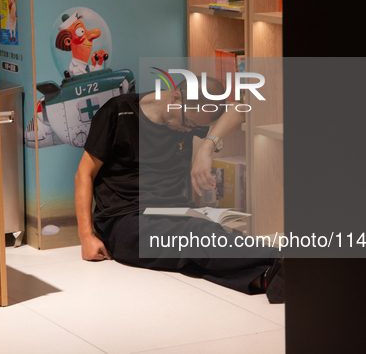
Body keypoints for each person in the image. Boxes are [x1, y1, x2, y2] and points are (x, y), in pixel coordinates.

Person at [74, 76, 284, 303]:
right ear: (176, 98)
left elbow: (240, 109)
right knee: (198, 237)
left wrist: (207, 146)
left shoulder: (189, 115)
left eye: (194, 127)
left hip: (177, 211)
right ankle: (284, 257)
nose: (188, 130)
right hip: (124, 220)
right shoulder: (119, 112)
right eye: (189, 124)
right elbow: (84, 174)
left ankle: (264, 279)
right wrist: (86, 236)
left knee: (202, 243)